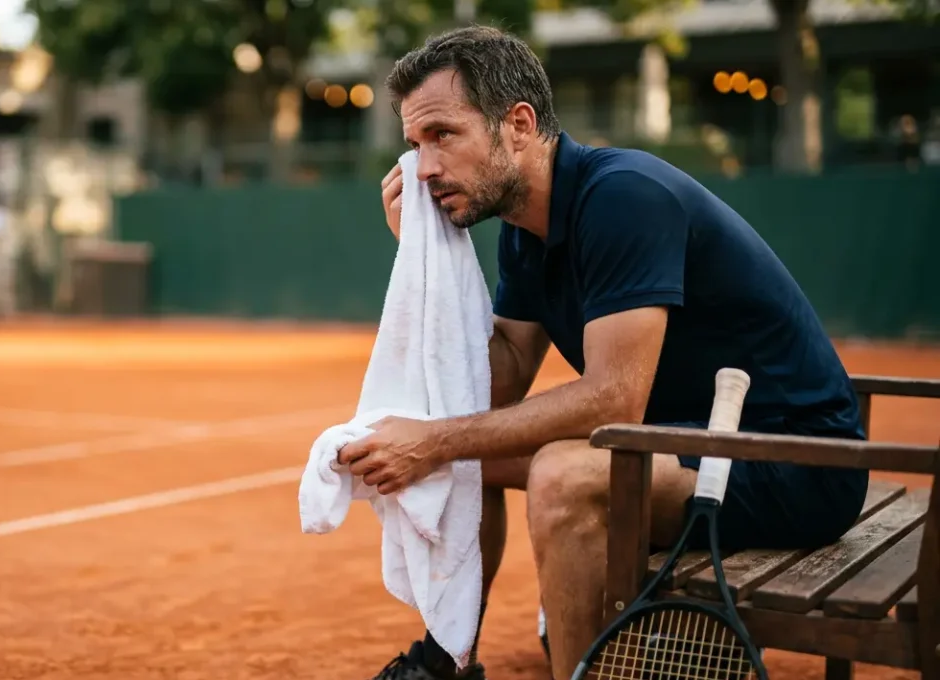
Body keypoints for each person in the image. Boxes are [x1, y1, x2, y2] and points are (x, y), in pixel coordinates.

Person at [341, 25, 869, 680]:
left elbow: (614, 400)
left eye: (443, 135)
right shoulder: (523, 230)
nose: (423, 168)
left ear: (519, 124)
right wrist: (420, 264)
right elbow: (494, 381)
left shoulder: (621, 198)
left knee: (565, 472)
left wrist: (434, 441)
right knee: (471, 456)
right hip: (683, 447)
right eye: (415, 144)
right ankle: (449, 657)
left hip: (792, 460)